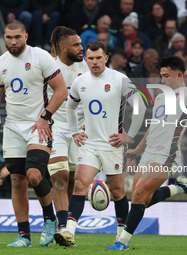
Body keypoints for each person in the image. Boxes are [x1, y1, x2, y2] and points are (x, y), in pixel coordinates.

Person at [106, 55, 187, 250]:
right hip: (148, 153)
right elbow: (153, 127)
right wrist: (137, 151)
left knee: (139, 194)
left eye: (166, 76)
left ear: (178, 75)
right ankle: (180, 187)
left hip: (167, 155)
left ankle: (122, 242)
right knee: (142, 198)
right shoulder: (160, 97)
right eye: (161, 76)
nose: (162, 80)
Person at [54, 42, 146, 247]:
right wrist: (75, 131)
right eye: (90, 58)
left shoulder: (119, 79)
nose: (94, 62)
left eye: (98, 58)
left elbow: (139, 105)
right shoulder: (80, 82)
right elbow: (70, 108)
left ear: (106, 58)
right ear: (85, 60)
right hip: (89, 144)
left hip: (112, 145)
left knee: (117, 191)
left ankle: (121, 237)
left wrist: (129, 136)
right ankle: (69, 233)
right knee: (79, 185)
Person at [0, 20, 68, 247]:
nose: (13, 42)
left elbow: (61, 90)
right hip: (13, 127)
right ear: (4, 37)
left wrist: (45, 117)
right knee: (17, 180)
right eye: (9, 37)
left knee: (34, 174)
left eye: (17, 37)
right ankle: (24, 236)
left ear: (26, 36)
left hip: (38, 125)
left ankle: (49, 219)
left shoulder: (40, 57)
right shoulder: (0, 64)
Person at [47, 26, 90, 232]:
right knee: (60, 176)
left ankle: (67, 225)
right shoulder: (48, 67)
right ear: (63, 48)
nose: (81, 48)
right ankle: (62, 227)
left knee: (74, 180)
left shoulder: (87, 68)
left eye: (81, 43)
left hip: (79, 131)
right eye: (76, 45)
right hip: (55, 127)